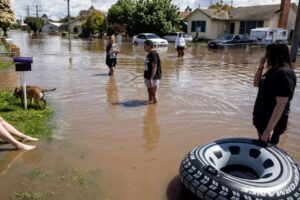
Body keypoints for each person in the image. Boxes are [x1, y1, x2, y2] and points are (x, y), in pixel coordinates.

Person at [253, 43, 297, 145]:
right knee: (260, 148)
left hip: (271, 125)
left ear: (274, 55)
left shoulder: (284, 73)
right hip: (262, 121)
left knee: (268, 150)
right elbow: (256, 83)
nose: (266, 57)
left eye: (268, 54)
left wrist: (268, 130)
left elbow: (281, 104)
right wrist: (260, 67)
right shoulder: (273, 71)